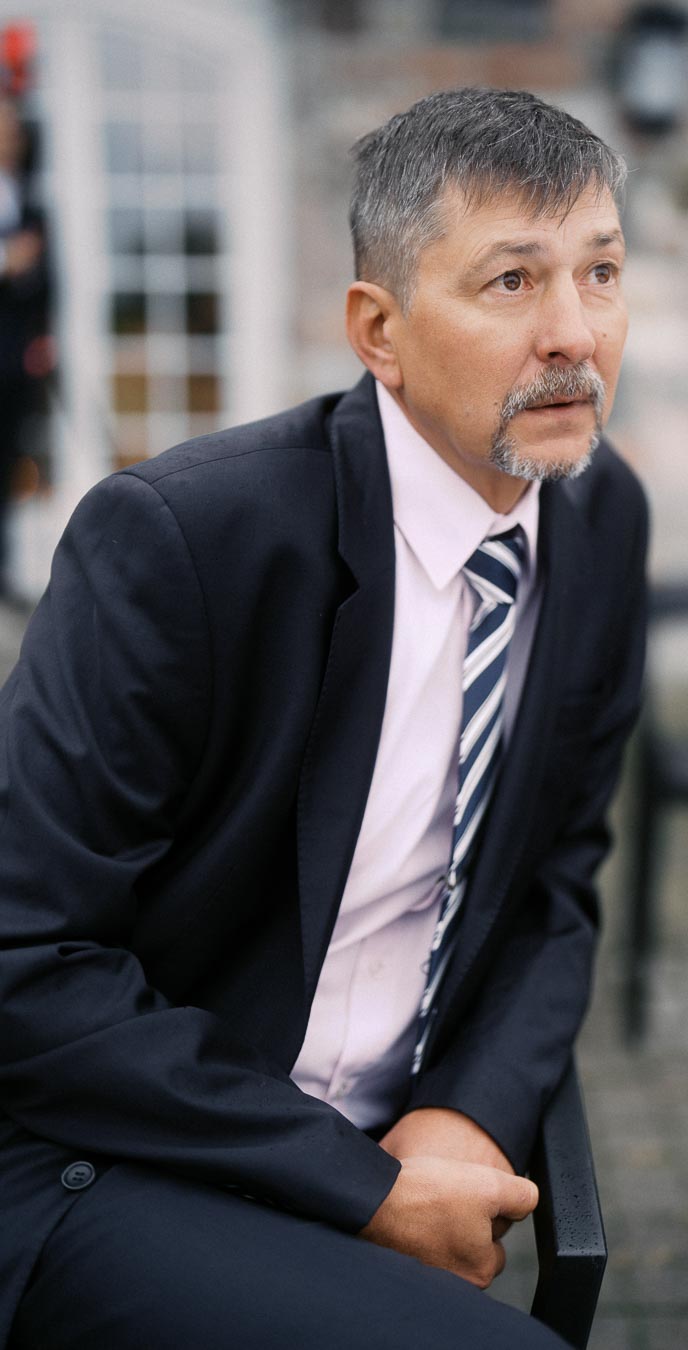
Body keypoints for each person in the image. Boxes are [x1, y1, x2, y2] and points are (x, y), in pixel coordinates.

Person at [0, 87, 647, 1350]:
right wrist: (366, 1190)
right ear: (379, 331)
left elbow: (557, 884)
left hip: (400, 1139)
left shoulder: (596, 518)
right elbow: (27, 966)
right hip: (122, 1157)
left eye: (603, 272)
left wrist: (468, 1113)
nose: (576, 333)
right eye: (512, 283)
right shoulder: (184, 541)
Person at [0, 95, 49, 591]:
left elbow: (43, 273)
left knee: (11, 459)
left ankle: (4, 570)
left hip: (13, 357)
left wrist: (41, 334)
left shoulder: (27, 194)